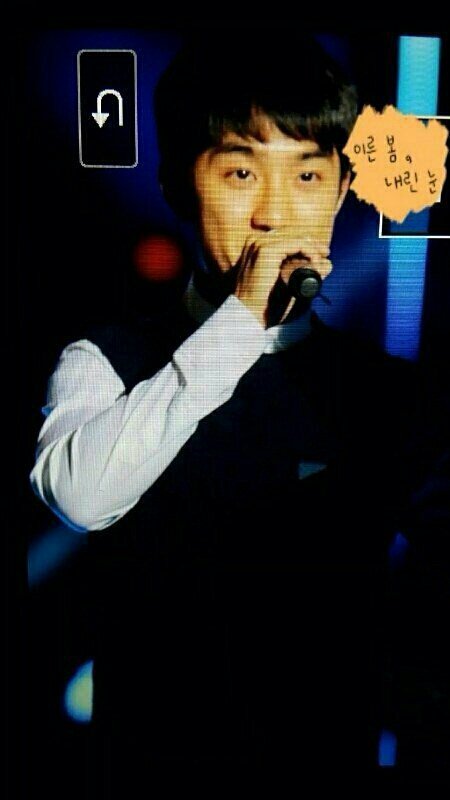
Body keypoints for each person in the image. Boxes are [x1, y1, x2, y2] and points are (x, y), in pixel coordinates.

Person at [30, 31, 449, 789]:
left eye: (309, 175)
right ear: (176, 187)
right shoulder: (104, 360)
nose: (276, 213)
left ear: (341, 193)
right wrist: (240, 323)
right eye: (242, 172)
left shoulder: (389, 393)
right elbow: (81, 498)